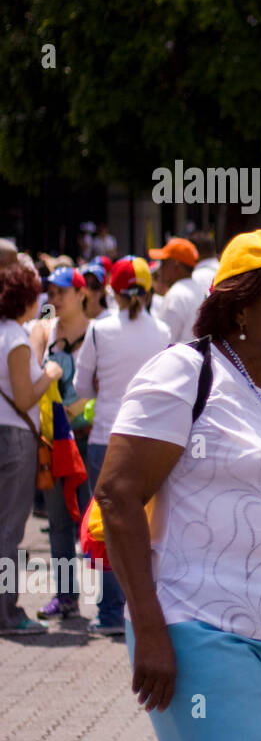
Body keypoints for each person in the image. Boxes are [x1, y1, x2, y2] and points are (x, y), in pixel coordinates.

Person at [96, 231, 261, 741]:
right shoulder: (185, 372)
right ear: (239, 308)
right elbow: (118, 495)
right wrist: (151, 626)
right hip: (200, 627)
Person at [74, 258, 171, 634]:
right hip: (152, 440)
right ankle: (147, 606)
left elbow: (82, 388)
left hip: (106, 437)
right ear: (147, 292)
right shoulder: (162, 331)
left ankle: (111, 613)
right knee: (149, 525)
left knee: (107, 527)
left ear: (112, 291)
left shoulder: (99, 330)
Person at [0, 264, 61, 635]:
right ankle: (7, 614)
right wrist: (50, 375)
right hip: (15, 441)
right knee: (9, 531)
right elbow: (25, 397)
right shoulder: (16, 339)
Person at [31, 267, 92, 623]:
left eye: (62, 292)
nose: (54, 299)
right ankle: (66, 597)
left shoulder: (98, 331)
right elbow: (33, 370)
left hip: (90, 438)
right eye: (51, 292)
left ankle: (111, 604)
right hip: (54, 441)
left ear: (81, 294)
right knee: (58, 522)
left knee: (96, 520)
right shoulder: (45, 329)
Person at [149, 238, 204, 344]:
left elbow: (163, 343)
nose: (160, 269)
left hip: (179, 358)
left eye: (164, 262)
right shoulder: (198, 289)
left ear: (176, 266)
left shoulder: (176, 295)